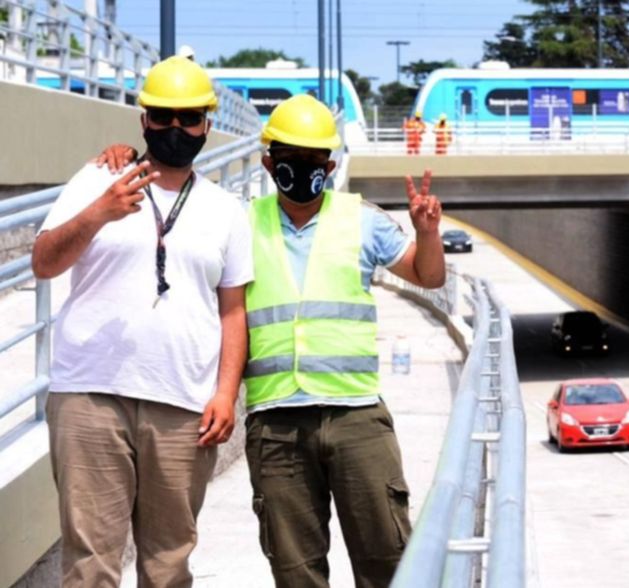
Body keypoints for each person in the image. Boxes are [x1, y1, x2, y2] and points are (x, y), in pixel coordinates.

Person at [101, 94, 446, 587]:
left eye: (312, 159)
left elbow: (428, 276)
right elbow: (176, 218)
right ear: (268, 163)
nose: (301, 168)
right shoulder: (239, 221)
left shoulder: (362, 219)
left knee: (386, 560)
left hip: (356, 416)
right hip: (276, 423)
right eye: (288, 157)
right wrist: (125, 156)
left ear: (329, 166)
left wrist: (427, 234)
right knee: (295, 570)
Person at [32, 55, 253, 587]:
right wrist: (98, 212)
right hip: (90, 395)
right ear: (143, 120)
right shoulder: (99, 178)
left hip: (182, 403)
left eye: (189, 118)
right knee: (89, 565)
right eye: (162, 116)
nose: (175, 128)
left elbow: (233, 311)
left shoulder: (226, 210)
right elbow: (43, 261)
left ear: (207, 124)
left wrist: (226, 394)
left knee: (168, 564)